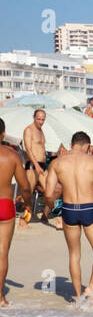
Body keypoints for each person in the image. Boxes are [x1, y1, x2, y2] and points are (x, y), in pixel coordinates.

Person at [44, 132, 93, 306]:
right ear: (87, 146)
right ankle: (91, 287)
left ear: (71, 144)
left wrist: (55, 209)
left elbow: (48, 194)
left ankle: (78, 297)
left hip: (69, 209)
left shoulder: (57, 163)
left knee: (74, 254)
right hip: (89, 208)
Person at [0, 119, 26, 306]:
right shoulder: (11, 155)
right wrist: (28, 203)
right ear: (3, 134)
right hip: (5, 204)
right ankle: (0, 297)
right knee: (2, 253)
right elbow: (24, 186)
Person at [21, 110, 50, 224]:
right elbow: (28, 149)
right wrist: (36, 165)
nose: (41, 121)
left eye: (43, 119)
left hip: (42, 165)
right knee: (28, 194)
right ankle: (23, 221)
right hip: (33, 165)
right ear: (33, 117)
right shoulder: (29, 130)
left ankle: (44, 216)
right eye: (38, 119)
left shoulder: (41, 131)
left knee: (51, 191)